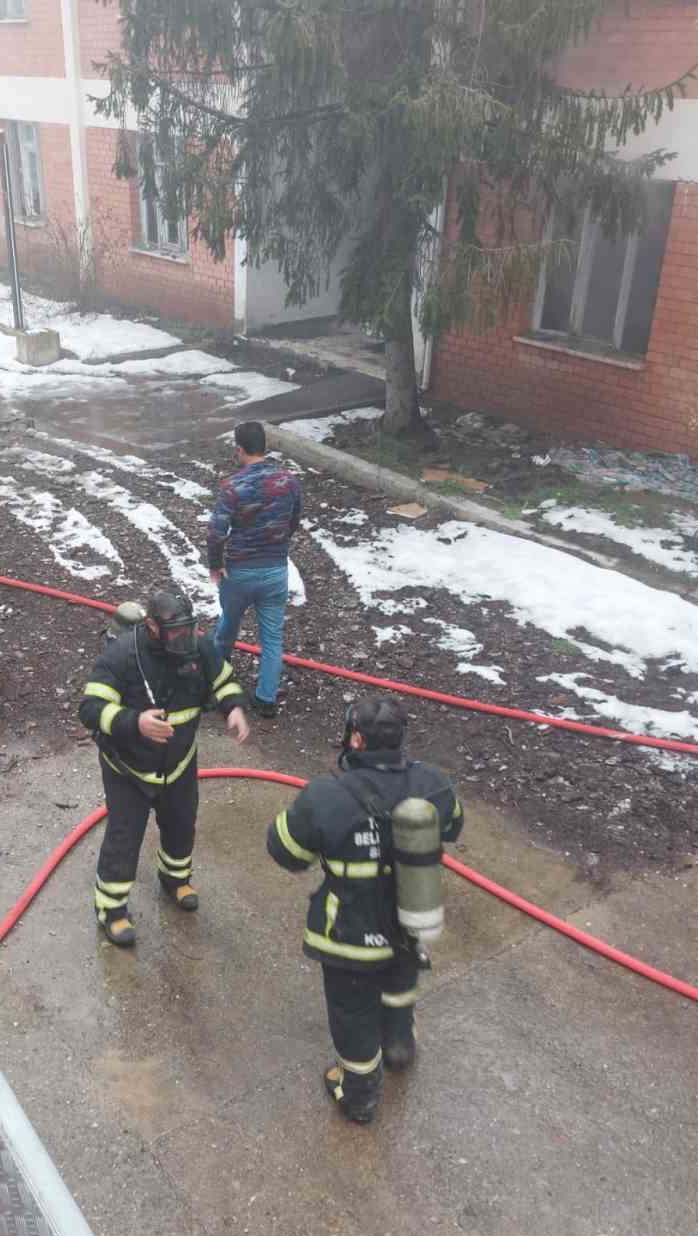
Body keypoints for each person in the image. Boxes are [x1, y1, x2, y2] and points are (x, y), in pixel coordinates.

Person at [267, 697, 462, 1125]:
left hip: (349, 938)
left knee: (352, 1013)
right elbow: (454, 824)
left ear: (355, 739)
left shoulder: (326, 796)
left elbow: (285, 851)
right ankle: (398, 1045)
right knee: (399, 986)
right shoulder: (431, 783)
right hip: (408, 924)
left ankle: (358, 1092)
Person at [78, 588, 249, 947]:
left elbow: (224, 679)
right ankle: (111, 908)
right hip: (129, 769)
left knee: (181, 824)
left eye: (188, 629)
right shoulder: (122, 656)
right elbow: (90, 709)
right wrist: (134, 722)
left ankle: (175, 878)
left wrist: (232, 707)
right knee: (125, 837)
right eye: (175, 632)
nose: (184, 639)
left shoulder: (198, 648)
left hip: (180, 762)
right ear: (152, 627)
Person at [209, 420, 302, 719]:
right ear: (265, 446)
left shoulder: (233, 486)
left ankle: (215, 683)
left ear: (239, 449)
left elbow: (216, 532)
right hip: (275, 570)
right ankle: (266, 699)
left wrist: (215, 565)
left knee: (227, 629)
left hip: (239, 573)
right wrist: (278, 543)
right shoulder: (288, 481)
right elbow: (294, 519)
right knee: (272, 638)